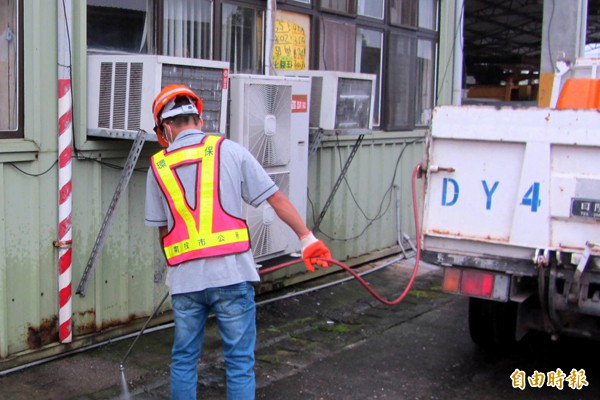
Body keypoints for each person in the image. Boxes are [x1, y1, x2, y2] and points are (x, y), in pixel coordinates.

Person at [144, 84, 332, 400]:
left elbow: (162, 231)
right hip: (232, 275)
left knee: (184, 360)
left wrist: (174, 267)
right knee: (240, 362)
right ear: (198, 120)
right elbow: (276, 198)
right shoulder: (229, 150)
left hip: (186, 281)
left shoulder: (157, 166)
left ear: (165, 128)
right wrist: (307, 237)